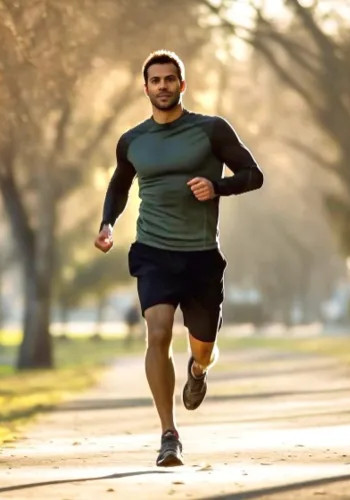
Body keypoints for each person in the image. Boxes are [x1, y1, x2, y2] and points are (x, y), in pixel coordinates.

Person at [93, 50, 264, 467]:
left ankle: (199, 371)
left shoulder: (211, 130)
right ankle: (169, 434)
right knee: (157, 333)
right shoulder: (132, 140)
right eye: (156, 80)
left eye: (171, 79)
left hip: (201, 255)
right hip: (153, 250)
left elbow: (252, 174)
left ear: (182, 85)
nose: (163, 86)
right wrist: (108, 223)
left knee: (202, 344)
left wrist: (217, 187)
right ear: (146, 87)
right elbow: (119, 186)